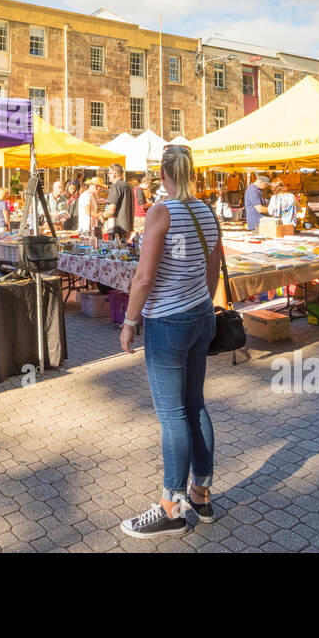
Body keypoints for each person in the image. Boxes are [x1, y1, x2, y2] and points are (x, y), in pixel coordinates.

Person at [118, 144, 222, 538]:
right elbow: (213, 271)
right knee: (195, 405)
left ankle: (170, 506)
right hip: (200, 315)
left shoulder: (161, 212)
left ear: (161, 174)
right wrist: (199, 303)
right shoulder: (206, 211)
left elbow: (144, 278)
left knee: (173, 414)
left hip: (167, 321)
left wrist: (129, 322)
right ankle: (201, 493)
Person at [103, 163, 135, 243]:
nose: (108, 175)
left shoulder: (115, 186)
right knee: (124, 252)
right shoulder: (128, 186)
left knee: (115, 253)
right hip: (127, 226)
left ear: (114, 174)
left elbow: (111, 210)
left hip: (117, 227)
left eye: (109, 173)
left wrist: (102, 216)